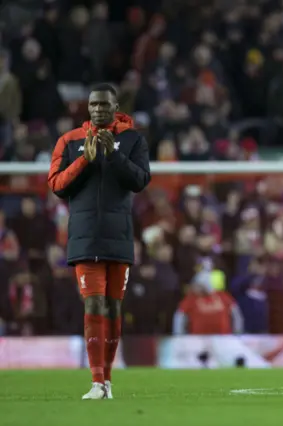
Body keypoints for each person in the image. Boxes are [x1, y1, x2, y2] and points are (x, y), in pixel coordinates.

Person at [47, 83, 151, 399]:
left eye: (104, 105)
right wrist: (85, 160)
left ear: (115, 106)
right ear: (88, 107)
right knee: (93, 302)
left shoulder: (133, 139)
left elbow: (140, 180)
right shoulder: (70, 141)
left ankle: (107, 381)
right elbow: (56, 184)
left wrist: (113, 156)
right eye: (93, 105)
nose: (97, 110)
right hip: (85, 237)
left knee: (114, 307)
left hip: (119, 237)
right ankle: (96, 382)